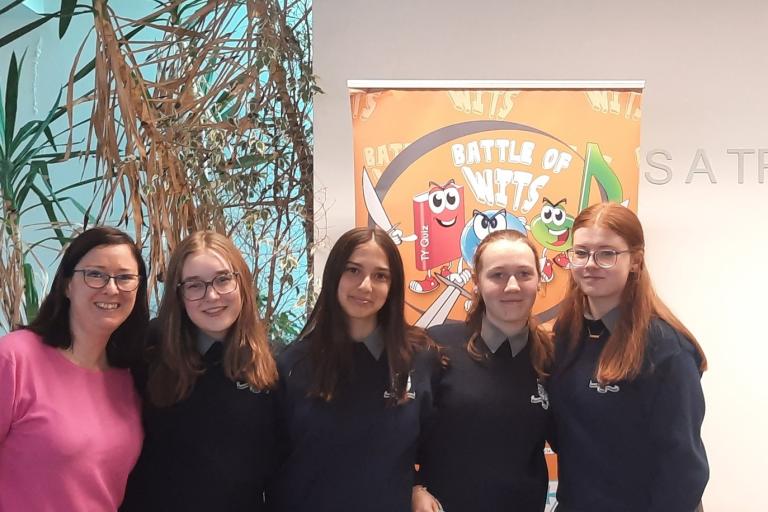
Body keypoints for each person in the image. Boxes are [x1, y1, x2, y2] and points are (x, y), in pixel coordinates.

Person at [548, 202, 709, 512]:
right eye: (580, 252)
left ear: (635, 261)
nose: (590, 264)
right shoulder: (566, 337)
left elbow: (683, 467)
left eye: (607, 253)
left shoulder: (665, 349)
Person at [268, 227, 439, 512]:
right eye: (353, 270)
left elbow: (437, 448)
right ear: (334, 275)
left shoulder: (420, 358)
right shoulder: (292, 364)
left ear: (393, 285)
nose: (365, 286)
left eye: (380, 276)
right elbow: (268, 460)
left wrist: (418, 486)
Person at [121, 231, 278, 512]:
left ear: (241, 281)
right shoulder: (147, 350)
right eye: (195, 285)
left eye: (223, 279)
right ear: (178, 294)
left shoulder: (272, 362)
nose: (212, 295)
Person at [0, 226, 149, 511]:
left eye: (125, 277)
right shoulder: (15, 358)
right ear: (67, 284)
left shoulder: (129, 378)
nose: (111, 287)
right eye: (95, 274)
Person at [412, 229, 552, 512]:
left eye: (524, 274)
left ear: (539, 280)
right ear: (477, 282)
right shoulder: (436, 346)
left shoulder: (551, 356)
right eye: (497, 275)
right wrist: (412, 487)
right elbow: (392, 431)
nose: (512, 285)